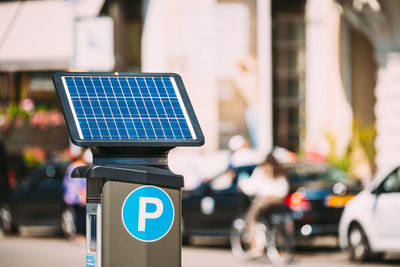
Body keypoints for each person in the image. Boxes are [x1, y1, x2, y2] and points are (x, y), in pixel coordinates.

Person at [238, 152, 289, 257]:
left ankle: (256, 246)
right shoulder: (280, 171)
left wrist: (242, 186)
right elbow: (284, 188)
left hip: (265, 201)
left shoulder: (262, 170)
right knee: (275, 222)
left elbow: (251, 187)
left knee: (251, 218)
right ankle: (278, 247)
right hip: (279, 201)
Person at [63, 148, 91, 240]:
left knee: (75, 215)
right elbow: (81, 184)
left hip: (71, 196)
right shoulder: (81, 167)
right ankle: (80, 234)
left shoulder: (71, 166)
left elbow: (66, 182)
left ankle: (77, 233)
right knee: (81, 216)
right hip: (79, 196)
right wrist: (83, 195)